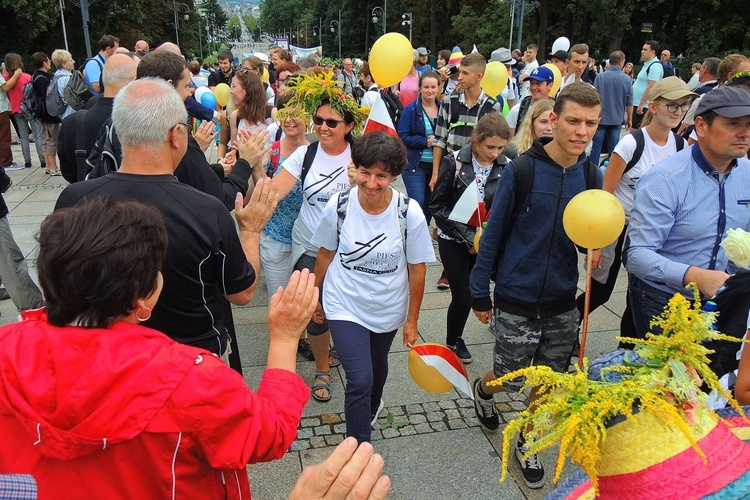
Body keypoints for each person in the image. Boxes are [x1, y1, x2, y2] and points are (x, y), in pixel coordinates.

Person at [0, 196, 317, 497]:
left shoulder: (6, 346)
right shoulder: (191, 379)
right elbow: (268, 434)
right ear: (142, 296)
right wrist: (286, 338)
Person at [56, 78, 275, 361]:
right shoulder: (205, 210)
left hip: (104, 360)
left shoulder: (73, 199)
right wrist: (251, 229)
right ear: (176, 135)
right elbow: (242, 292)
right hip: (189, 364)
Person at [469, 83, 602, 489]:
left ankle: (527, 438)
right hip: (517, 294)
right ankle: (483, 390)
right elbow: (494, 234)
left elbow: (590, 231)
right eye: (573, 121)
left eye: (591, 123)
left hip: (563, 298)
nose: (582, 131)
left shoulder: (591, 173)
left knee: (548, 380)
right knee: (510, 376)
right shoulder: (522, 169)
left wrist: (595, 248)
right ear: (553, 120)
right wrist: (479, 290)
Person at [311, 132, 434, 442]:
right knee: (359, 379)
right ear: (356, 168)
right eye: (365, 172)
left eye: (382, 175)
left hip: (387, 306)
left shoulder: (409, 213)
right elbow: (325, 252)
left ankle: (371, 407)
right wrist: (315, 296)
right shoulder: (340, 205)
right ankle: (357, 448)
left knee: (377, 368)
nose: (371, 182)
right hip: (344, 302)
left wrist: (412, 320)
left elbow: (417, 269)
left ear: (394, 176)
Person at [268, 70, 367, 402]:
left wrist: (361, 184)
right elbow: (276, 189)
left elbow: (380, 203)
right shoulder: (306, 154)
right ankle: (323, 368)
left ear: (349, 126)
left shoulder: (362, 157)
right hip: (310, 243)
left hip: (351, 249)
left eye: (332, 122)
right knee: (316, 309)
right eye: (319, 120)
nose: (323, 127)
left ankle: (350, 355)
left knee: (348, 308)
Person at [624, 85, 750, 338]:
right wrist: (695, 276)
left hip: (726, 299)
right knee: (667, 375)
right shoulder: (665, 178)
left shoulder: (747, 173)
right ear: (701, 126)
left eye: (749, 124)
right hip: (667, 300)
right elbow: (636, 255)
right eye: (733, 124)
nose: (744, 133)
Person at [585, 77, 693, 346]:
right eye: (672, 105)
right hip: (618, 228)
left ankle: (626, 350)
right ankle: (565, 331)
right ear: (654, 107)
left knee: (640, 295)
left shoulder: (681, 147)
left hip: (653, 234)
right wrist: (597, 244)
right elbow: (604, 195)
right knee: (599, 293)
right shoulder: (631, 144)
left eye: (683, 106)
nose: (678, 112)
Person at [431, 113, 510, 363]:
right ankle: (453, 341)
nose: (494, 153)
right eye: (490, 147)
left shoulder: (507, 166)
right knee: (463, 295)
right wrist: (467, 237)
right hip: (453, 239)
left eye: (500, 147)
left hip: (485, 242)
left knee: (482, 290)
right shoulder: (453, 163)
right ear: (476, 139)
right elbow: (438, 206)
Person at [431, 52, 501, 290]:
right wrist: (435, 174)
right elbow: (440, 139)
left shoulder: (492, 105)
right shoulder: (450, 101)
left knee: (475, 218)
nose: (458, 76)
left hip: (479, 172)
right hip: (453, 173)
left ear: (479, 76)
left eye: (464, 73)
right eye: (459, 72)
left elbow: (494, 141)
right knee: (449, 217)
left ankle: (472, 267)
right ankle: (449, 269)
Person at [58, 53, 138, 183]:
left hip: (86, 197)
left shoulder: (71, 123)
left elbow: (68, 172)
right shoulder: (140, 122)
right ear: (134, 80)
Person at [398, 70, 442, 224]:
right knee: (417, 203)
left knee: (430, 206)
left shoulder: (445, 109)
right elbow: (403, 136)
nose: (430, 91)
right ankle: (412, 235)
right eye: (426, 87)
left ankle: (422, 235)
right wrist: (425, 141)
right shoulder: (410, 110)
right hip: (415, 165)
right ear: (420, 88)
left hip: (438, 166)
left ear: (438, 88)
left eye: (433, 87)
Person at [589, 50, 633, 163]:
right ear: (621, 63)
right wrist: (629, 119)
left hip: (601, 118)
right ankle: (610, 170)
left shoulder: (600, 77)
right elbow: (629, 102)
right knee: (614, 148)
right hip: (616, 118)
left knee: (596, 147)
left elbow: (594, 97)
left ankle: (592, 171)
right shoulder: (627, 79)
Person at [3, 53, 43, 169]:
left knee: (23, 136)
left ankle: (27, 161)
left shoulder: (5, 78)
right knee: (37, 135)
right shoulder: (26, 76)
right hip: (30, 109)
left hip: (16, 110)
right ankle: (42, 160)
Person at [30, 52, 62, 175]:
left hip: (41, 113)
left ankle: (48, 166)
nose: (50, 62)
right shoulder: (43, 78)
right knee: (52, 140)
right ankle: (53, 167)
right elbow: (48, 98)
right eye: (48, 60)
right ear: (44, 63)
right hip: (48, 114)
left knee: (45, 139)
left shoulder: (36, 76)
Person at [506, 66, 555, 137]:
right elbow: (510, 140)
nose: (534, 87)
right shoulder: (517, 110)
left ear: (550, 85)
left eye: (538, 83)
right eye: (532, 83)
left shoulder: (556, 111)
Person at [229, 67, 269, 147]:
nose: (231, 91)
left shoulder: (271, 114)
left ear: (246, 90)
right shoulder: (235, 116)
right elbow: (234, 149)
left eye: (234, 86)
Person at [0, 57, 25, 171]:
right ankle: (6, 163)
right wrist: (16, 74)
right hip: (1, 109)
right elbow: (6, 86)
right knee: (4, 137)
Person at [632, 40, 663, 129]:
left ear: (652, 52)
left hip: (643, 106)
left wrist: (641, 105)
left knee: (636, 133)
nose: (642, 52)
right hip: (638, 103)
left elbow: (651, 86)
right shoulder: (647, 64)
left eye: (645, 49)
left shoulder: (654, 66)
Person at [50, 49, 76, 120]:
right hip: (71, 114)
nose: (74, 61)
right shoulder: (66, 79)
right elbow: (71, 100)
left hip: (64, 114)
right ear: (64, 64)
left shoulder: (56, 76)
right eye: (70, 60)